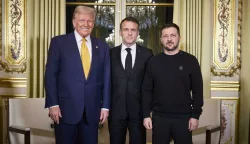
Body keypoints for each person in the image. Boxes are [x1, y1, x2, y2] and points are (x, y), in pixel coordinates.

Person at [44, 6, 110, 144]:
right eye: (82, 20)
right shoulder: (59, 42)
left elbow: (106, 78)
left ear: (94, 23)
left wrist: (105, 107)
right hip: (64, 110)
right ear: (74, 22)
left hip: (92, 112)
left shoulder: (102, 46)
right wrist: (53, 104)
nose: (86, 24)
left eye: (90, 21)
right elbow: (50, 75)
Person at [142, 23, 203, 144]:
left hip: (184, 118)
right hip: (159, 118)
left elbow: (198, 90)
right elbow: (146, 90)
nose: (169, 39)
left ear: (179, 37)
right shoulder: (153, 62)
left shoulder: (191, 60)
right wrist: (146, 115)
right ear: (161, 39)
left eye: (173, 35)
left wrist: (195, 115)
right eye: (165, 36)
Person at [108, 17, 153, 144]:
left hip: (138, 113)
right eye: (126, 29)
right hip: (116, 111)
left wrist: (147, 112)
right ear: (120, 32)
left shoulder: (147, 54)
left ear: (138, 33)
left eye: (133, 30)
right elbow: (105, 83)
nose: (129, 33)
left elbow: (149, 85)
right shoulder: (110, 53)